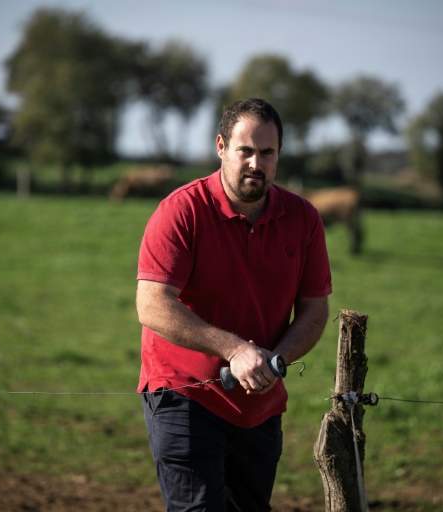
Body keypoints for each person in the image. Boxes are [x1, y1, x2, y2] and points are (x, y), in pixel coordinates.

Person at [136, 97, 332, 511]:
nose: (255, 164)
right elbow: (152, 304)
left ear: (279, 155)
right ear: (222, 147)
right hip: (185, 395)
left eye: (267, 153)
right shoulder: (181, 212)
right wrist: (236, 350)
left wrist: (274, 361)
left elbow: (315, 309)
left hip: (260, 405)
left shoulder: (304, 219)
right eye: (245, 151)